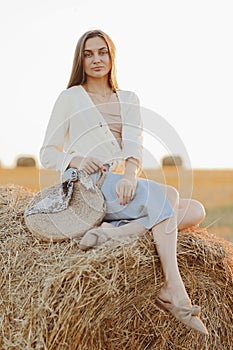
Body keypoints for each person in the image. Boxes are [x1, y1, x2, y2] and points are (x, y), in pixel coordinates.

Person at [40, 29, 208, 335]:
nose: (96, 59)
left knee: (195, 209)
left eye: (102, 52)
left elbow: (134, 144)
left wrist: (130, 175)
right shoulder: (70, 98)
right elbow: (47, 153)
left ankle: (115, 232)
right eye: (88, 54)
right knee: (169, 195)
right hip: (89, 186)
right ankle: (174, 288)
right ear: (80, 60)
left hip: (124, 187)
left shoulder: (129, 98)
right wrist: (74, 160)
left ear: (111, 56)